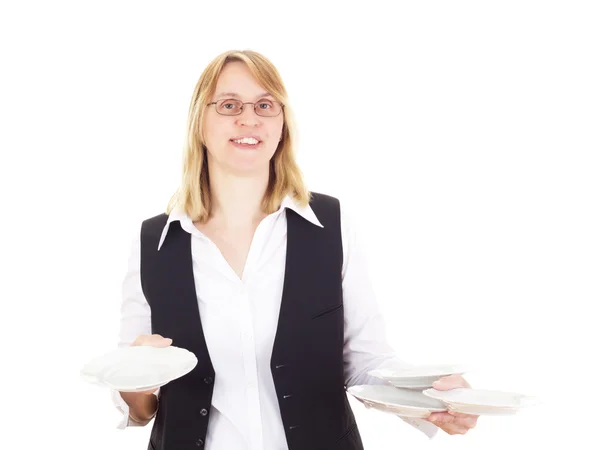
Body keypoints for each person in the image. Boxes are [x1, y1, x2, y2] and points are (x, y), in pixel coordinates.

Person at [112, 49, 478, 450]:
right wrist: (136, 375)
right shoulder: (154, 243)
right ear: (200, 121)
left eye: (265, 105)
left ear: (282, 124)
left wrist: (430, 396)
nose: (248, 118)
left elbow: (364, 362)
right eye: (229, 104)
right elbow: (139, 405)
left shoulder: (330, 225)